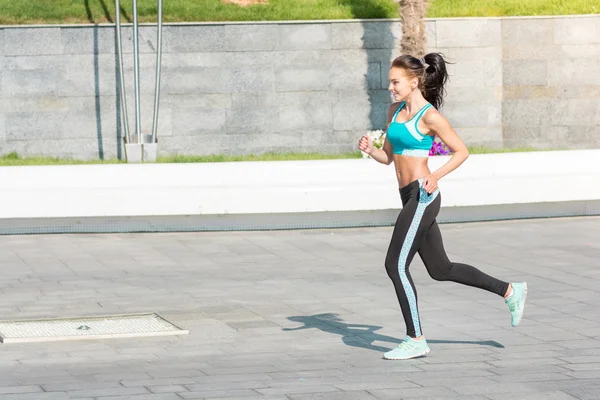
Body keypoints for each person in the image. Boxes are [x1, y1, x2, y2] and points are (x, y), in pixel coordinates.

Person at [357, 53, 528, 360]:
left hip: (423, 195)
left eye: (395, 82)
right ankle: (510, 291)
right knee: (440, 268)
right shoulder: (394, 112)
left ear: (413, 82)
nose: (391, 88)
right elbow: (389, 158)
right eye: (390, 82)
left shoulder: (429, 116)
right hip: (407, 195)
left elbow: (462, 151)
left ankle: (415, 338)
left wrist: (435, 176)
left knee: (395, 265)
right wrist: (371, 151)